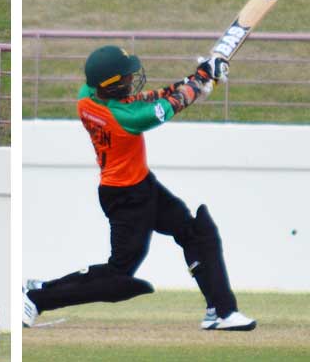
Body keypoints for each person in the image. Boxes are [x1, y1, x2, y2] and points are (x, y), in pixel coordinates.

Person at [22, 45, 255, 332]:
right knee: (118, 277)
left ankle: (221, 311)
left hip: (141, 187)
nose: (132, 79)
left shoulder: (87, 97)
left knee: (195, 232)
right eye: (126, 77)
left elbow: (145, 98)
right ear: (112, 85)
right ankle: (37, 298)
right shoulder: (127, 120)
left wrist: (194, 80)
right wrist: (199, 81)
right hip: (127, 200)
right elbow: (171, 105)